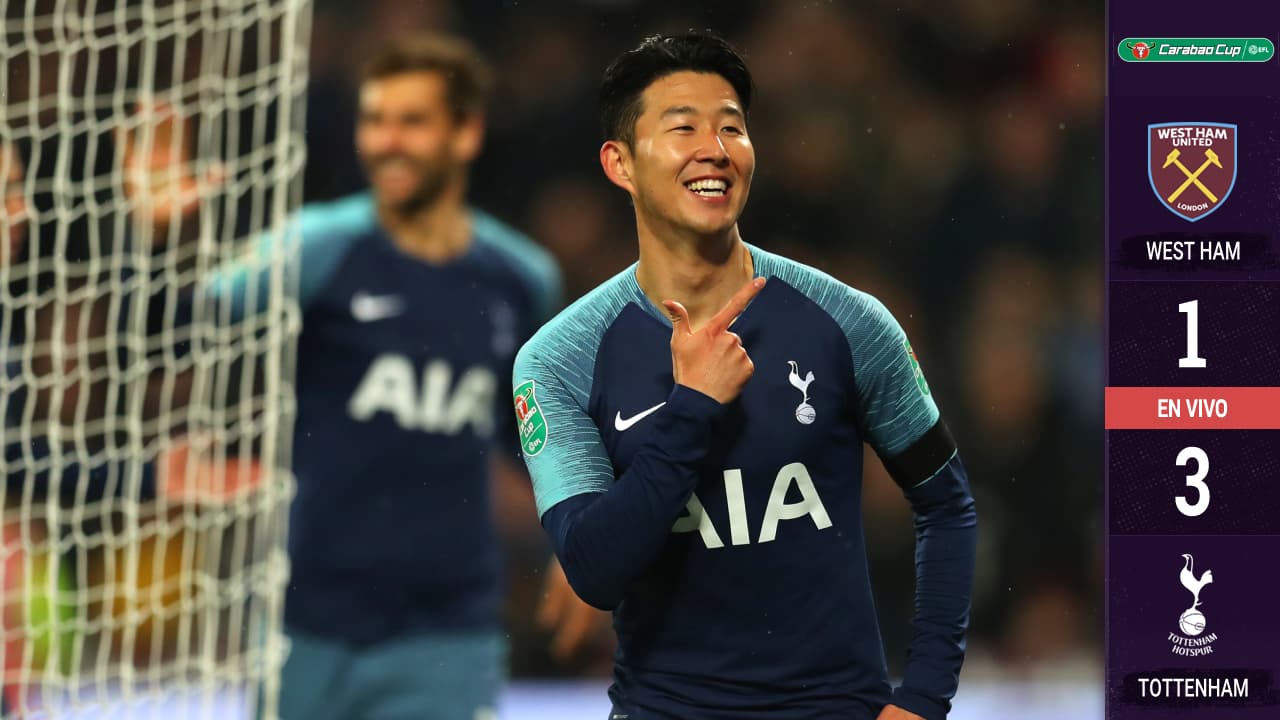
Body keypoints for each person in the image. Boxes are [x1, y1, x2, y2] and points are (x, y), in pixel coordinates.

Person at [513, 30, 978, 720]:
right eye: (683, 128)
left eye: (732, 127)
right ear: (621, 164)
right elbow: (594, 569)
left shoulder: (847, 320)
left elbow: (947, 506)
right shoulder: (560, 359)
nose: (716, 149)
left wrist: (926, 699)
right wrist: (693, 406)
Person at [196, 33, 602, 719]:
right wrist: (157, 239)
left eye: (411, 121)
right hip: (308, 626)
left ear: (466, 132)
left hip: (448, 634)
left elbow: (527, 429)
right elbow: (191, 327)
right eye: (374, 119)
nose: (385, 141)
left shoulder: (519, 278)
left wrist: (579, 534)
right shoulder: (317, 247)